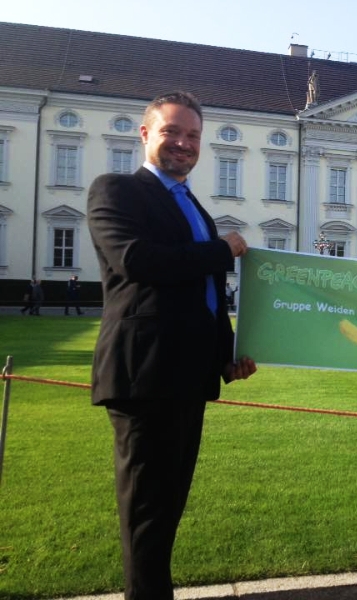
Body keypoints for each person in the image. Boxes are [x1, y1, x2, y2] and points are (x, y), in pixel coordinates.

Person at [87, 90, 257, 600]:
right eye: (171, 132)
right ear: (145, 134)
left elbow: (205, 295)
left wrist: (226, 357)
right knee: (146, 519)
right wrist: (220, 249)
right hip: (144, 376)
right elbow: (139, 262)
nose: (183, 143)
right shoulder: (115, 189)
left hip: (186, 376)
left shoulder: (194, 208)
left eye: (192, 136)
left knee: (165, 516)